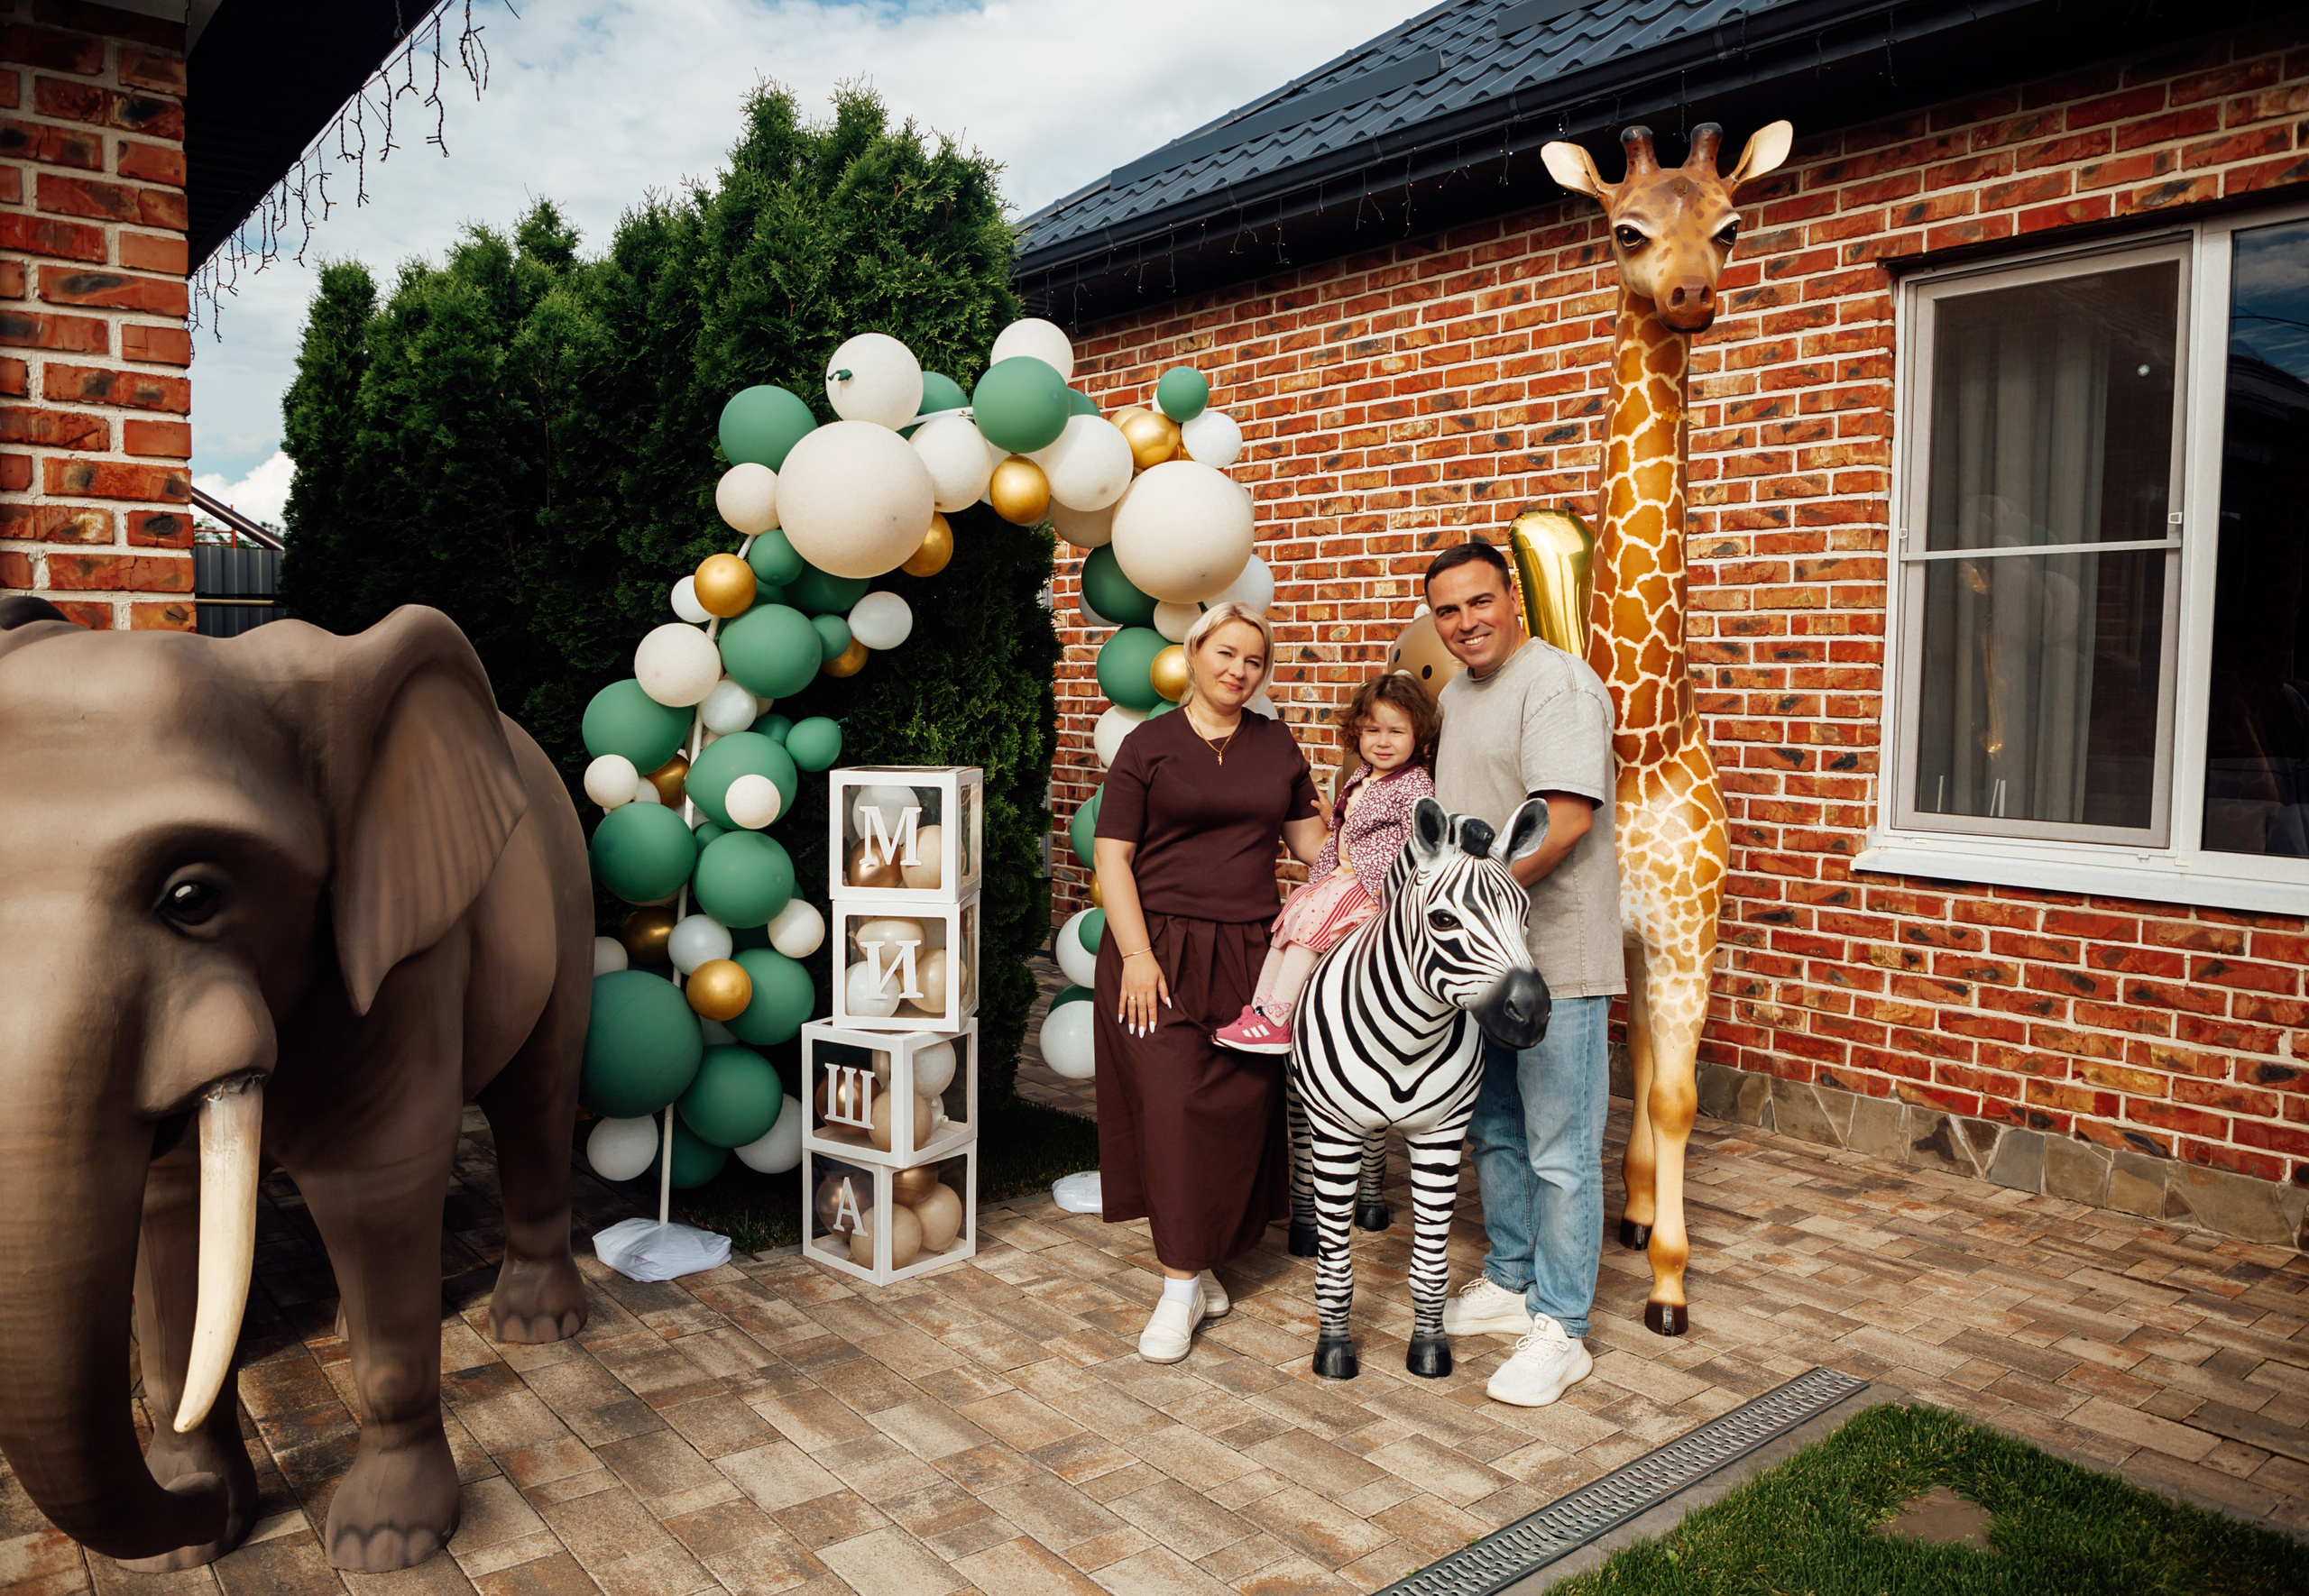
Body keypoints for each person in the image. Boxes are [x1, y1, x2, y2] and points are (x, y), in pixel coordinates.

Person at [1092, 601, 1328, 1362]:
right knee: (1170, 1106)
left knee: (1236, 1112)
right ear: (1194, 654)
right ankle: (1176, 1290)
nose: (1239, 670)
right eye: (1226, 653)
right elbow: (1112, 857)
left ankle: (1197, 1267)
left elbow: (1314, 847)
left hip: (1250, 954)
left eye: (1254, 661)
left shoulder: (1276, 743)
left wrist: (1375, 836)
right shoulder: (1148, 744)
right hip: (1154, 951)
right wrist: (1137, 954)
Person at [1424, 538, 1624, 1408]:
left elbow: (1566, 820)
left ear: (1513, 599)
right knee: (1495, 1128)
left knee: (1562, 1152)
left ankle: (1563, 1325)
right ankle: (1510, 1279)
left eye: (1480, 601)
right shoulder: (1455, 696)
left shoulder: (1558, 686)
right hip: (1481, 968)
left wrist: (1469, 901)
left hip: (1555, 960)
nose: (1466, 622)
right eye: (1447, 610)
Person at [1214, 672, 1438, 1054]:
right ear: (1358, 733)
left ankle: (1278, 1020)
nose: (1383, 742)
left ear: (1417, 735)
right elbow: (1356, 826)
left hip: (1371, 884)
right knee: (1288, 927)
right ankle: (1260, 1011)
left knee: (1309, 929)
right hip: (1340, 877)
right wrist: (1332, 819)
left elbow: (1418, 839)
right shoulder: (1364, 774)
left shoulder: (1414, 783)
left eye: (1396, 732)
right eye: (1372, 731)